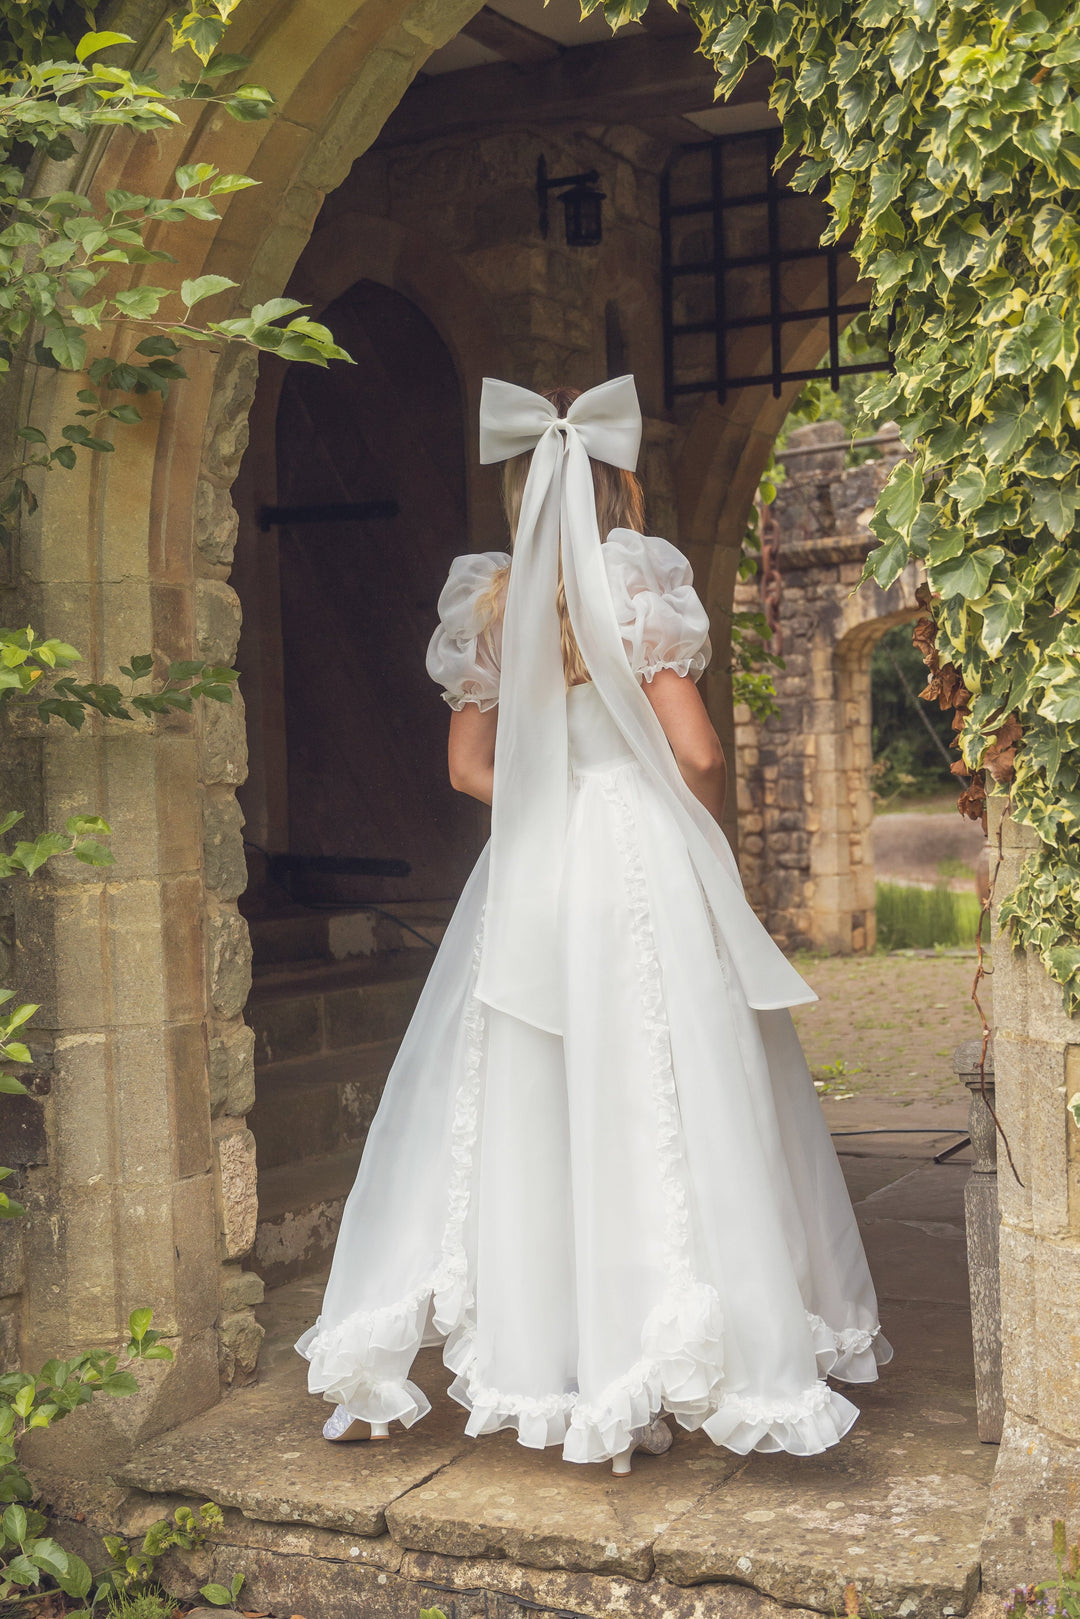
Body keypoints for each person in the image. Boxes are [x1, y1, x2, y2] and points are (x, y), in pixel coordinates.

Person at [297, 375, 891, 1476]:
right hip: (635, 855)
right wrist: (678, 824)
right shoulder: (637, 582)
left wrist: (550, 790)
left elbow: (469, 767)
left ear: (524, 481)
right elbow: (702, 752)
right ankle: (666, 1356)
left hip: (534, 860)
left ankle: (494, 1357)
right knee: (666, 1088)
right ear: (619, 478)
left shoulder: (493, 595)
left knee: (504, 1094)